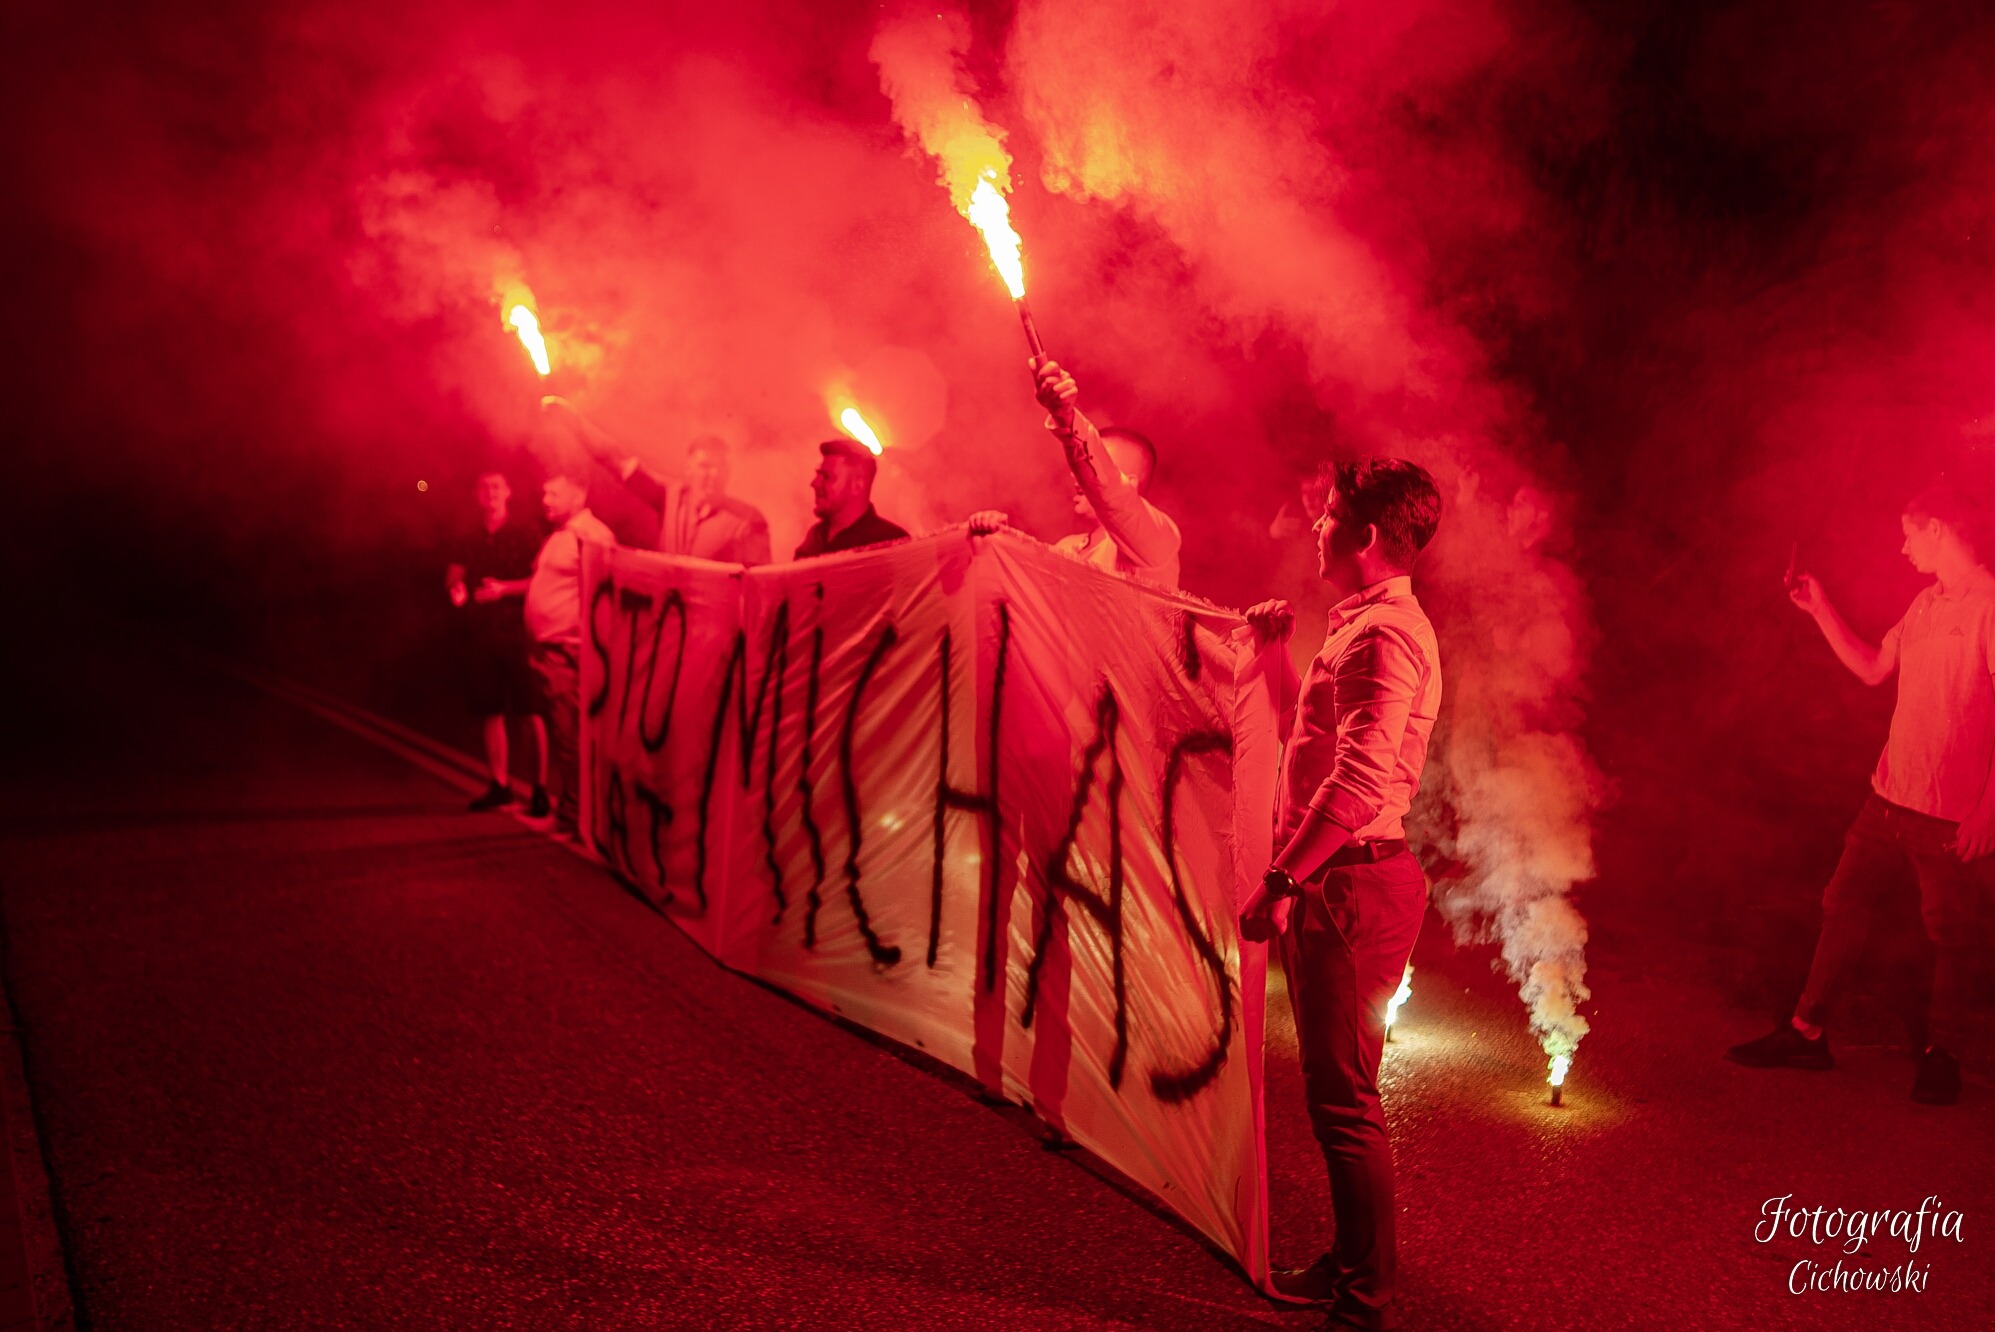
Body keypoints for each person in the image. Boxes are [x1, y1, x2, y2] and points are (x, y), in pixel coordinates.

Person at [1237, 457, 1444, 1330]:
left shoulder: (1384, 634)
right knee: (1337, 1094)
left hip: (1350, 884)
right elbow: (1310, 743)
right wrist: (1277, 656)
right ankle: (1352, 1268)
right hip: (1346, 879)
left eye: (1326, 515)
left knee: (1345, 1101)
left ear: (1363, 536)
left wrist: (1283, 877)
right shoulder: (1360, 625)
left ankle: (1363, 1301)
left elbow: (1357, 784)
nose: (1313, 525)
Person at [1726, 481, 1994, 1106]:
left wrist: (1989, 806)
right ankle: (1807, 1033)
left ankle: (1943, 1055)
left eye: (1909, 533)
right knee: (1842, 902)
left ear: (1939, 530)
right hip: (1887, 798)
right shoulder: (1926, 604)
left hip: (1950, 814)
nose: (1902, 548)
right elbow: (1874, 668)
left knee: (1951, 936)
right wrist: (1820, 609)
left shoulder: (1987, 606)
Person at [968, 357, 1182, 589]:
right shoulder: (1066, 547)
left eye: (1096, 466)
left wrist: (1066, 418)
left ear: (1130, 484)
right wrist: (995, 542)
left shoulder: (1160, 540)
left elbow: (1109, 490)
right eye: (1079, 470)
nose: (1077, 476)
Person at [542, 399, 771, 565]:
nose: (712, 474)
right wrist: (573, 420)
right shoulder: (670, 496)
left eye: (719, 467)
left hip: (714, 630)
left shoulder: (747, 520)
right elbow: (615, 458)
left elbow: (760, 589)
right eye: (704, 466)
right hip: (669, 624)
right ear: (688, 470)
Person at [445, 470, 549, 816]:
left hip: (519, 632)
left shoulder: (525, 532)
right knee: (490, 710)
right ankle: (500, 785)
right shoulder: (468, 535)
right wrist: (456, 591)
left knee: (529, 711)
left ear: (508, 493)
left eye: (497, 487)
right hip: (482, 634)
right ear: (477, 495)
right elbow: (454, 576)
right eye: (484, 487)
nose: (490, 492)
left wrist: (504, 589)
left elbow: (541, 580)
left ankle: (539, 790)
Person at [524, 471, 617, 838]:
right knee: (565, 733)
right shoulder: (563, 535)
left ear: (579, 495)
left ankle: (578, 818)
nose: (545, 499)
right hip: (551, 652)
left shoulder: (592, 535)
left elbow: (607, 595)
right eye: (544, 491)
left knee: (571, 735)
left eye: (554, 493)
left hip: (571, 653)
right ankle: (574, 812)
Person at [794, 438, 910, 558]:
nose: (815, 483)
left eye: (827, 477)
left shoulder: (891, 543)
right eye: (818, 475)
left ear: (857, 485)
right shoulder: (815, 537)